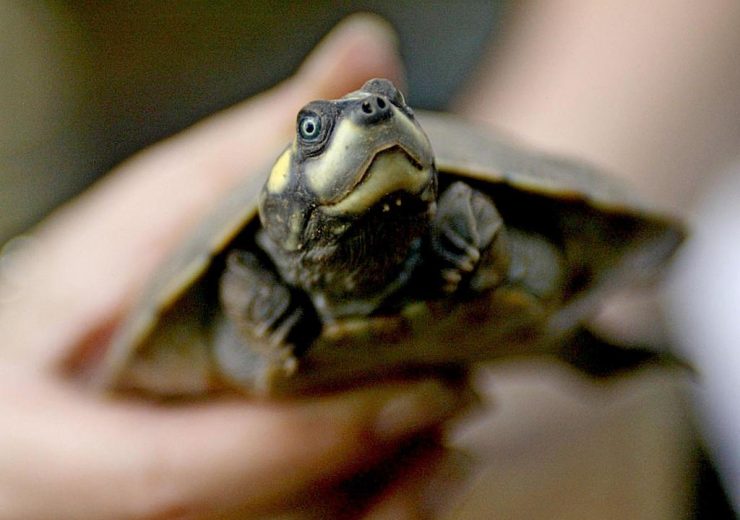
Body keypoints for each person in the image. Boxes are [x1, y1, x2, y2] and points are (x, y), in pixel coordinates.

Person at [0, 16, 470, 519]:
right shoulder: (245, 279)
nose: (374, 112)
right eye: (315, 132)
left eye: (390, 106)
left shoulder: (463, 214)